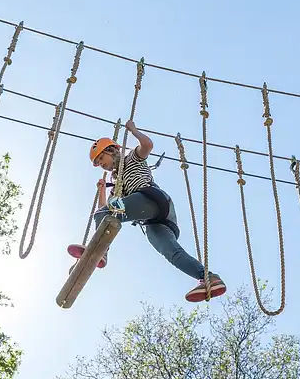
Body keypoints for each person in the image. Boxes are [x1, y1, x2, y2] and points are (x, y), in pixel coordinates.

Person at [68, 119, 226, 302]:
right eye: (99, 163)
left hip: (152, 199)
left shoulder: (131, 157)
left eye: (102, 159)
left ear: (111, 150)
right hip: (153, 220)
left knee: (105, 213)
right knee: (173, 254)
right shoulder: (117, 181)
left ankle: (100, 252)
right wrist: (101, 190)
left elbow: (147, 145)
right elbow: (105, 210)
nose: (102, 165)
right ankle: (208, 278)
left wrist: (134, 130)